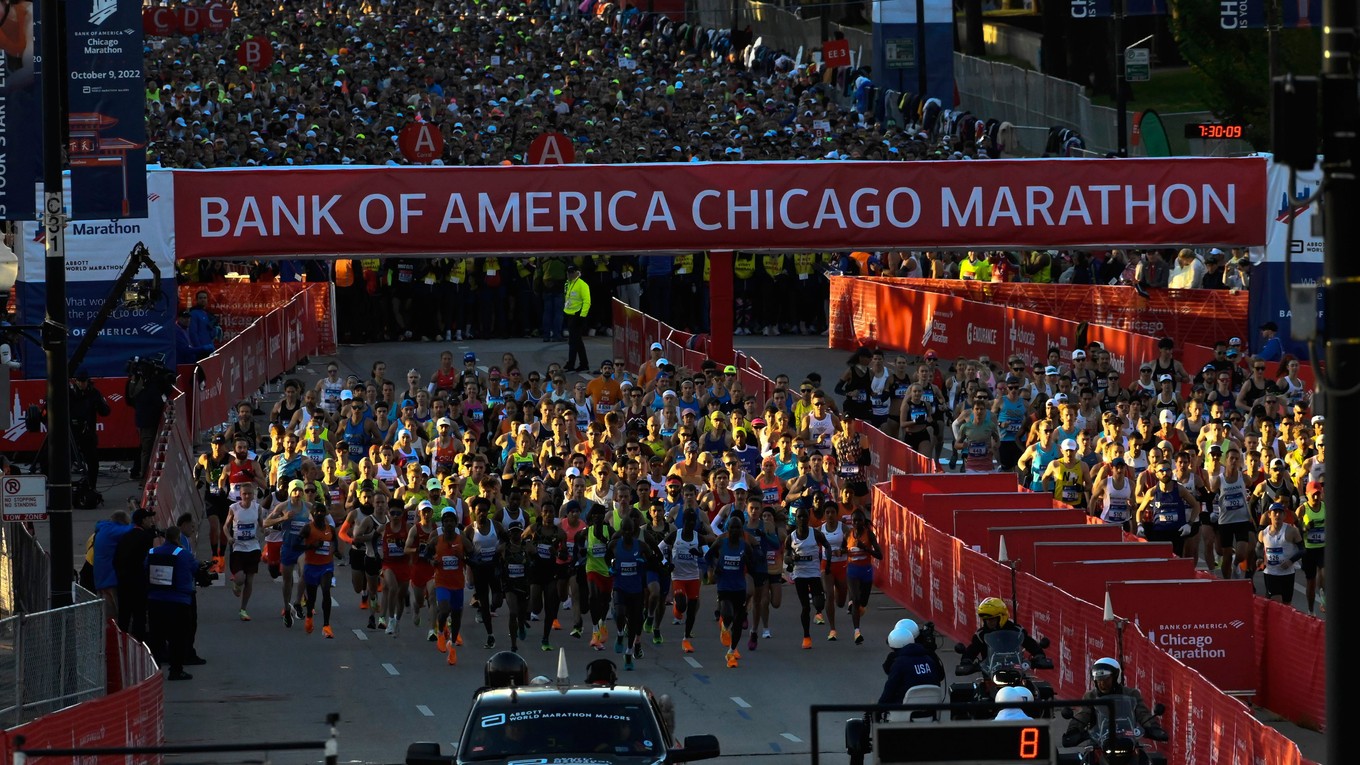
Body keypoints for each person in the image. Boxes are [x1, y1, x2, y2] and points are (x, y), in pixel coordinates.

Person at [1063, 658, 1166, 747]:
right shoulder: (1090, 696)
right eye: (1099, 680)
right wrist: (1073, 730)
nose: (1102, 684)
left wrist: (1154, 727)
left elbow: (1143, 714)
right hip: (1099, 742)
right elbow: (1083, 714)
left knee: (1145, 759)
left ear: (1116, 677)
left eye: (1106, 679)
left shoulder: (1131, 694)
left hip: (1128, 739)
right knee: (1088, 760)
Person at [145, 524, 198, 681]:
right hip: (178, 602)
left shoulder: (152, 552)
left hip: (155, 601)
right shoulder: (183, 554)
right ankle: (176, 670)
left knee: (156, 638)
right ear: (177, 538)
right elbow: (194, 568)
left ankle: (154, 671)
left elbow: (145, 568)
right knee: (178, 638)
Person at [958, 597, 1051, 668]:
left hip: (1016, 670)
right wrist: (966, 660)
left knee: (1039, 690)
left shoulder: (1017, 630)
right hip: (990, 675)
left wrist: (1039, 655)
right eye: (986, 620)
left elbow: (1030, 643)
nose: (989, 622)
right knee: (976, 691)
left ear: (1002, 617)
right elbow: (973, 649)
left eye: (992, 619)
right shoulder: (981, 635)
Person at [113, 507, 157, 642]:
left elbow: (116, 559)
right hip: (138, 582)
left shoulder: (126, 536)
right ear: (143, 520)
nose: (151, 520)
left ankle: (122, 644)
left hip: (122, 581)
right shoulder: (145, 537)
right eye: (149, 518)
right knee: (139, 615)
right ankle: (139, 644)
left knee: (124, 615)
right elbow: (148, 560)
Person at [878, 619, 945, 704]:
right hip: (932, 708)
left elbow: (890, 689)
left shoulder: (899, 662)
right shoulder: (929, 657)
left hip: (905, 709)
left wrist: (878, 707)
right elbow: (940, 676)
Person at [298, 501, 338, 637]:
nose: (320, 514)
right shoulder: (307, 529)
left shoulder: (330, 529)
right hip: (311, 566)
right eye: (317, 512)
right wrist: (311, 546)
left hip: (326, 566)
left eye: (322, 512)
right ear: (312, 514)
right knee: (312, 596)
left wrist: (336, 552)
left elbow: (335, 542)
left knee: (326, 591)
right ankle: (309, 616)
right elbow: (295, 546)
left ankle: (326, 626)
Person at [224, 483, 263, 621]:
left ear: (253, 495)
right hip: (238, 547)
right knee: (240, 578)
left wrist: (266, 530)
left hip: (253, 547)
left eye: (249, 493)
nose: (247, 496)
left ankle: (243, 609)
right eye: (244, 493)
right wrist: (229, 537)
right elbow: (225, 527)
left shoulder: (257, 508)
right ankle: (236, 584)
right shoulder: (233, 508)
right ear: (240, 495)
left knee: (250, 581)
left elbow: (262, 525)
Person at [68, 369, 110, 487]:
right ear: (75, 381)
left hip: (87, 432)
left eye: (84, 381)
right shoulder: (70, 393)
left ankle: (92, 486)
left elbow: (105, 411)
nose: (82, 384)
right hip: (71, 433)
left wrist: (99, 404)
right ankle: (65, 487)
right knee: (67, 460)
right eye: (79, 382)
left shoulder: (94, 393)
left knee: (93, 462)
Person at [1257, 502, 1304, 605]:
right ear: (1269, 515)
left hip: (1288, 573)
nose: (1277, 515)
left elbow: (1302, 550)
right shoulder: (1263, 533)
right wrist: (1259, 558)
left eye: (1280, 512)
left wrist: (1290, 561)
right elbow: (1258, 548)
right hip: (1271, 573)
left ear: (1284, 515)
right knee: (1276, 602)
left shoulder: (1292, 531)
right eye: (1275, 512)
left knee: (1287, 605)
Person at [93, 509, 134, 619]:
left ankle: (109, 633)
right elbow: (134, 529)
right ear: (122, 521)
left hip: (101, 577)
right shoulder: (114, 530)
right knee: (114, 613)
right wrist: (135, 515)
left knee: (106, 613)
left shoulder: (104, 528)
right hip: (110, 578)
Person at [1297, 482, 1326, 614]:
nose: (1316, 497)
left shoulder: (1326, 507)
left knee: (1324, 572)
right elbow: (1295, 530)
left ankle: (1323, 596)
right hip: (1308, 549)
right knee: (1311, 583)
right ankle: (1310, 610)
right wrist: (1305, 528)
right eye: (1313, 494)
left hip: (1323, 547)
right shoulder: (1302, 509)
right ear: (1307, 494)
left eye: (1318, 494)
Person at [563, 264, 592, 372]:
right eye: (568, 272)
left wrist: (582, 316)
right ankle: (584, 364)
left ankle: (571, 363)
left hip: (577, 315)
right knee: (577, 341)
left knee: (573, 341)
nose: (569, 274)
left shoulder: (582, 285)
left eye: (571, 272)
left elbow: (587, 301)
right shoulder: (568, 283)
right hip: (569, 314)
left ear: (576, 272)